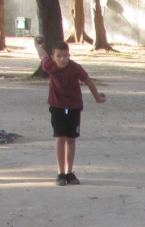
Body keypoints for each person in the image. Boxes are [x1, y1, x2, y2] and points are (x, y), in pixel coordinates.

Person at [37, 38, 106, 185]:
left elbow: (88, 81)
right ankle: (60, 173)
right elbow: (42, 55)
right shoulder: (49, 65)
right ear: (53, 57)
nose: (63, 59)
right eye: (59, 56)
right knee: (60, 138)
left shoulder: (75, 68)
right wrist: (37, 45)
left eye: (66, 55)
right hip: (57, 107)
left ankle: (69, 172)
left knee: (71, 139)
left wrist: (97, 98)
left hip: (73, 107)